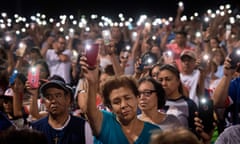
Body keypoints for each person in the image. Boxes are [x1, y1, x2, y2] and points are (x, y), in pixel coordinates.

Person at [80, 55, 160, 144]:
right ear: (109, 107)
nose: (123, 105)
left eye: (127, 98)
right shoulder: (105, 122)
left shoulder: (154, 133)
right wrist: (91, 82)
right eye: (116, 102)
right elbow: (90, 112)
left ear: (137, 98)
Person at [30, 77, 93, 144]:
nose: (53, 101)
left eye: (58, 96)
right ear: (44, 102)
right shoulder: (35, 128)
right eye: (49, 97)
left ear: (67, 99)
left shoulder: (82, 127)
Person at [157, 64, 198, 134]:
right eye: (160, 80)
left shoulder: (189, 104)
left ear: (178, 81)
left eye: (168, 79)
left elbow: (194, 133)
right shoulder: (155, 103)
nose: (164, 83)